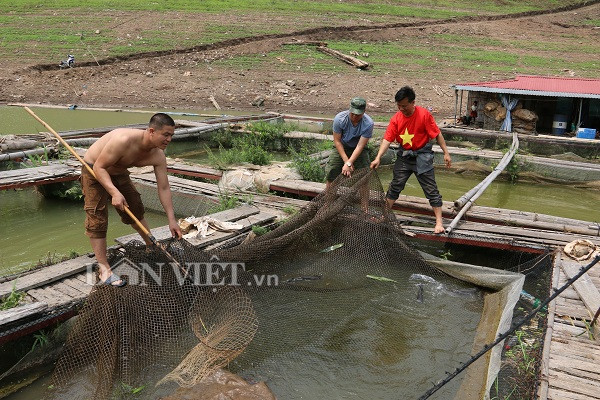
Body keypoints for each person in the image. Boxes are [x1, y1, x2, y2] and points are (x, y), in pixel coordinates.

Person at [82, 113, 183, 286]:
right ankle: (104, 268)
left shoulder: (158, 155)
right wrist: (114, 192)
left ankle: (150, 245)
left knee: (135, 207)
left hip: (119, 171)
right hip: (94, 169)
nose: (169, 139)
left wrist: (172, 220)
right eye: (165, 134)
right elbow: (99, 166)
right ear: (151, 131)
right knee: (97, 217)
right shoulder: (123, 140)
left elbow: (164, 187)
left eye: (171, 135)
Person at [370, 86, 451, 234]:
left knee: (431, 189)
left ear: (413, 103)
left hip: (422, 156)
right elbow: (387, 139)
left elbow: (437, 134)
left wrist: (446, 153)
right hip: (405, 156)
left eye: (405, 106)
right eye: (399, 106)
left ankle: (439, 222)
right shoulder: (396, 118)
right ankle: (384, 215)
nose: (401, 109)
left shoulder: (424, 115)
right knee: (395, 186)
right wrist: (378, 158)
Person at [325, 97, 373, 189]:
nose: (355, 117)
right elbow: (337, 141)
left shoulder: (368, 124)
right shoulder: (339, 119)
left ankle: (364, 204)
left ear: (364, 112)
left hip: (359, 148)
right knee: (332, 171)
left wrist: (349, 163)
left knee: (364, 176)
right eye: (352, 114)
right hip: (342, 145)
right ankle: (329, 202)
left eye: (358, 115)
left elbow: (360, 146)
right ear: (349, 109)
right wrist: (346, 161)